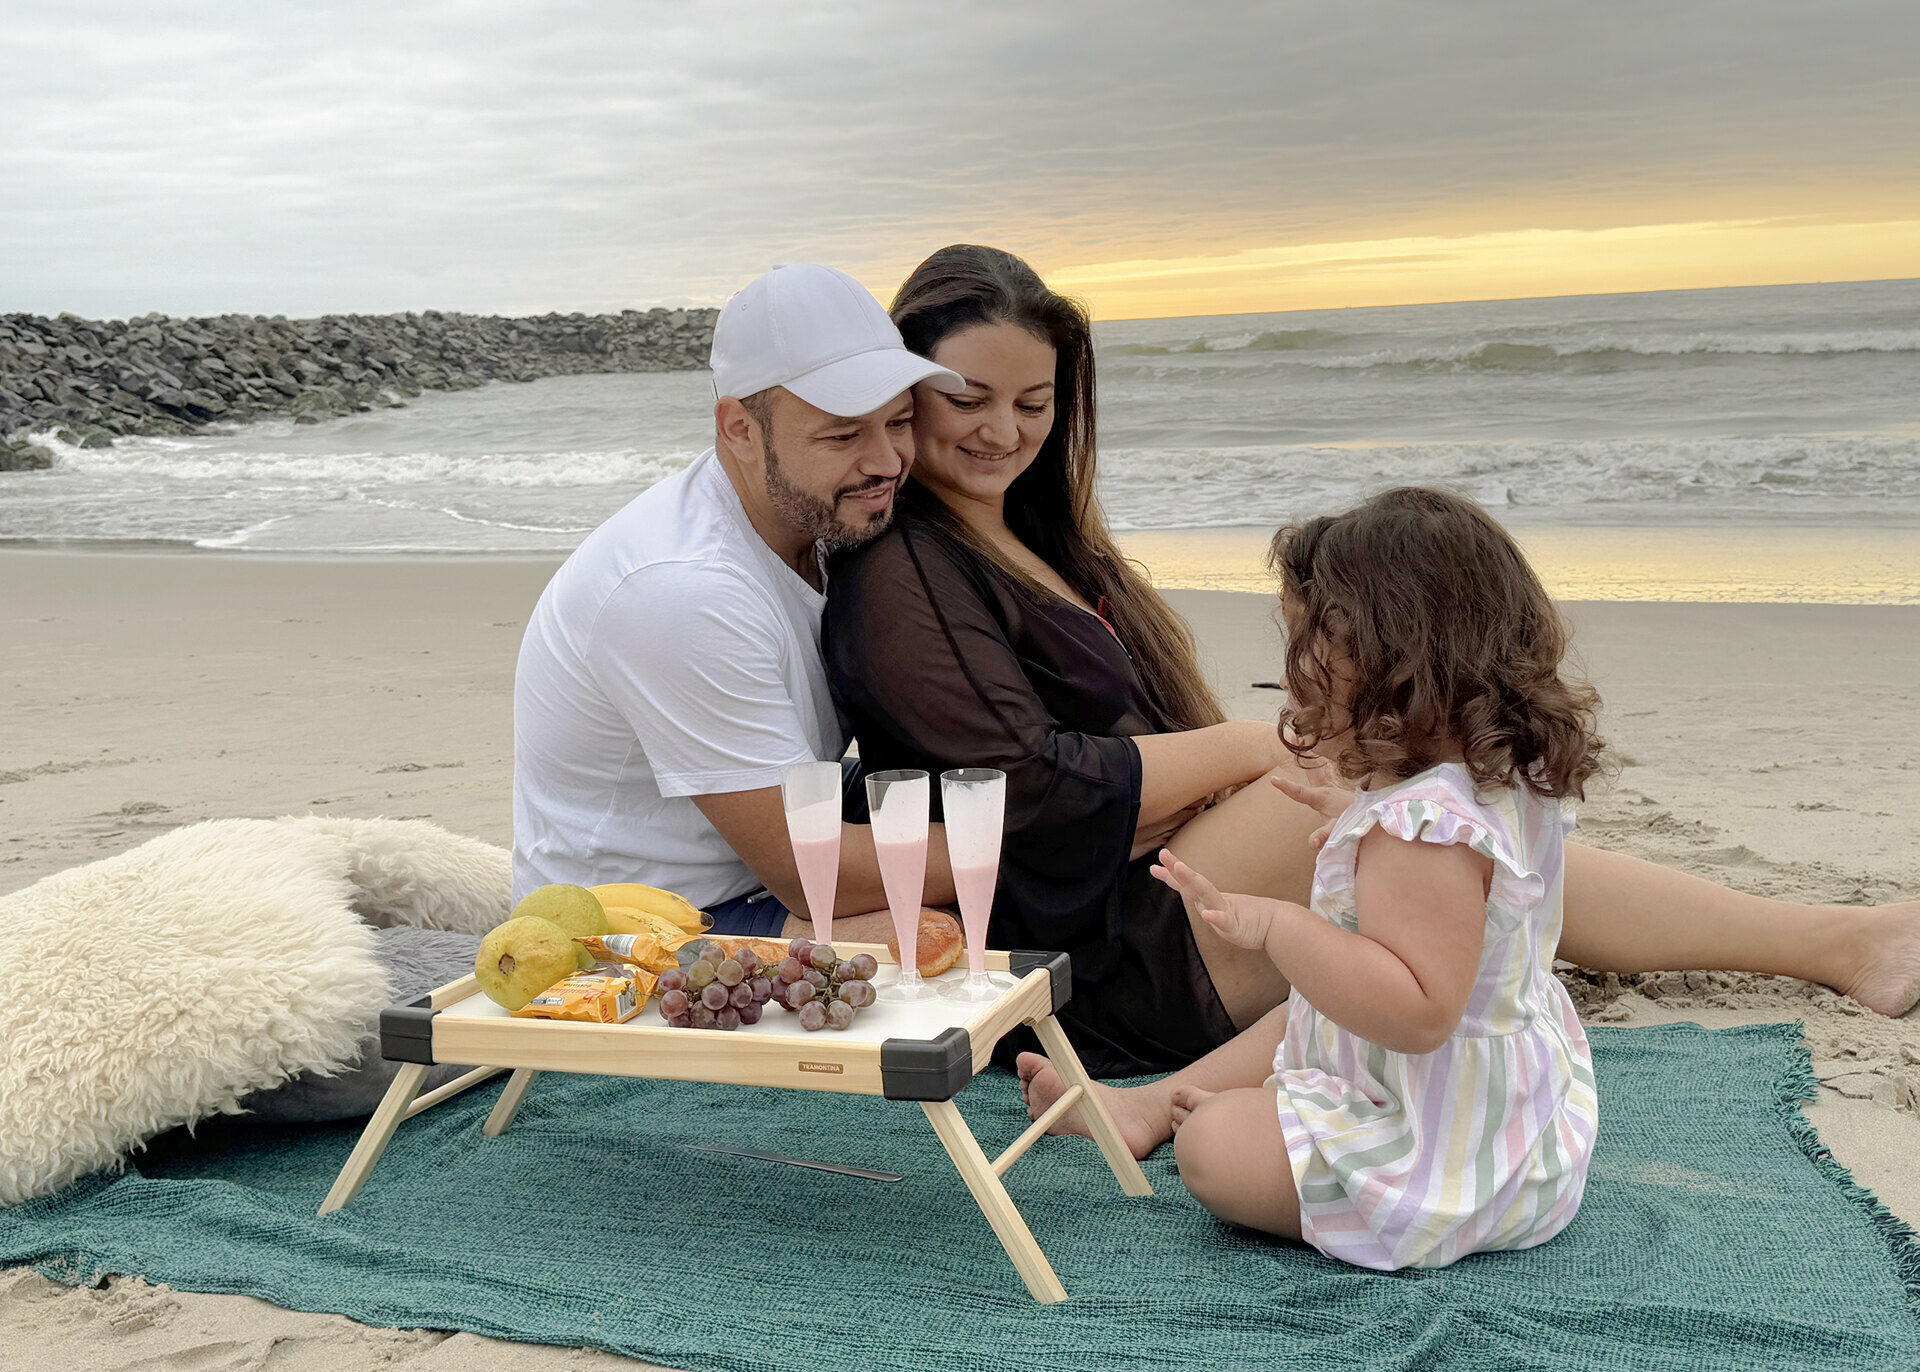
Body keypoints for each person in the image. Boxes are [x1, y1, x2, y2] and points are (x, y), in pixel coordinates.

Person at [821, 242, 1920, 1082]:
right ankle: (1839, 943)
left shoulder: (1034, 535)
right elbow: (1027, 788)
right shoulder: (905, 565)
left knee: (1434, 802)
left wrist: (1224, 777)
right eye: (964, 398)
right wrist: (1253, 749)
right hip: (1098, 954)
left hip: (1162, 875)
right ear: (899, 389)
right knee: (1410, 796)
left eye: (1035, 401)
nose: (1001, 431)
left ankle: (1842, 941)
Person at [1148, 487, 1599, 1267]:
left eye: (1306, 646)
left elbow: (1419, 1011)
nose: (1292, 674)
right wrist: (1355, 809)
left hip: (1439, 1152)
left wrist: (1278, 927)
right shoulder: (1494, 776)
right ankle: (1171, 1105)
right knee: (1305, 1020)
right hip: (1506, 1117)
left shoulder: (1415, 832)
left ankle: (1248, 1123)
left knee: (1214, 1146)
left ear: (1391, 653)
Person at [512, 263, 966, 939]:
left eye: (899, 421)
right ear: (740, 430)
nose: (886, 461)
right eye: (843, 434)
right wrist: (1049, 845)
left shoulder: (826, 520)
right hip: (641, 920)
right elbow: (814, 872)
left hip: (758, 838)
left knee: (1003, 800)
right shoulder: (681, 588)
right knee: (940, 932)